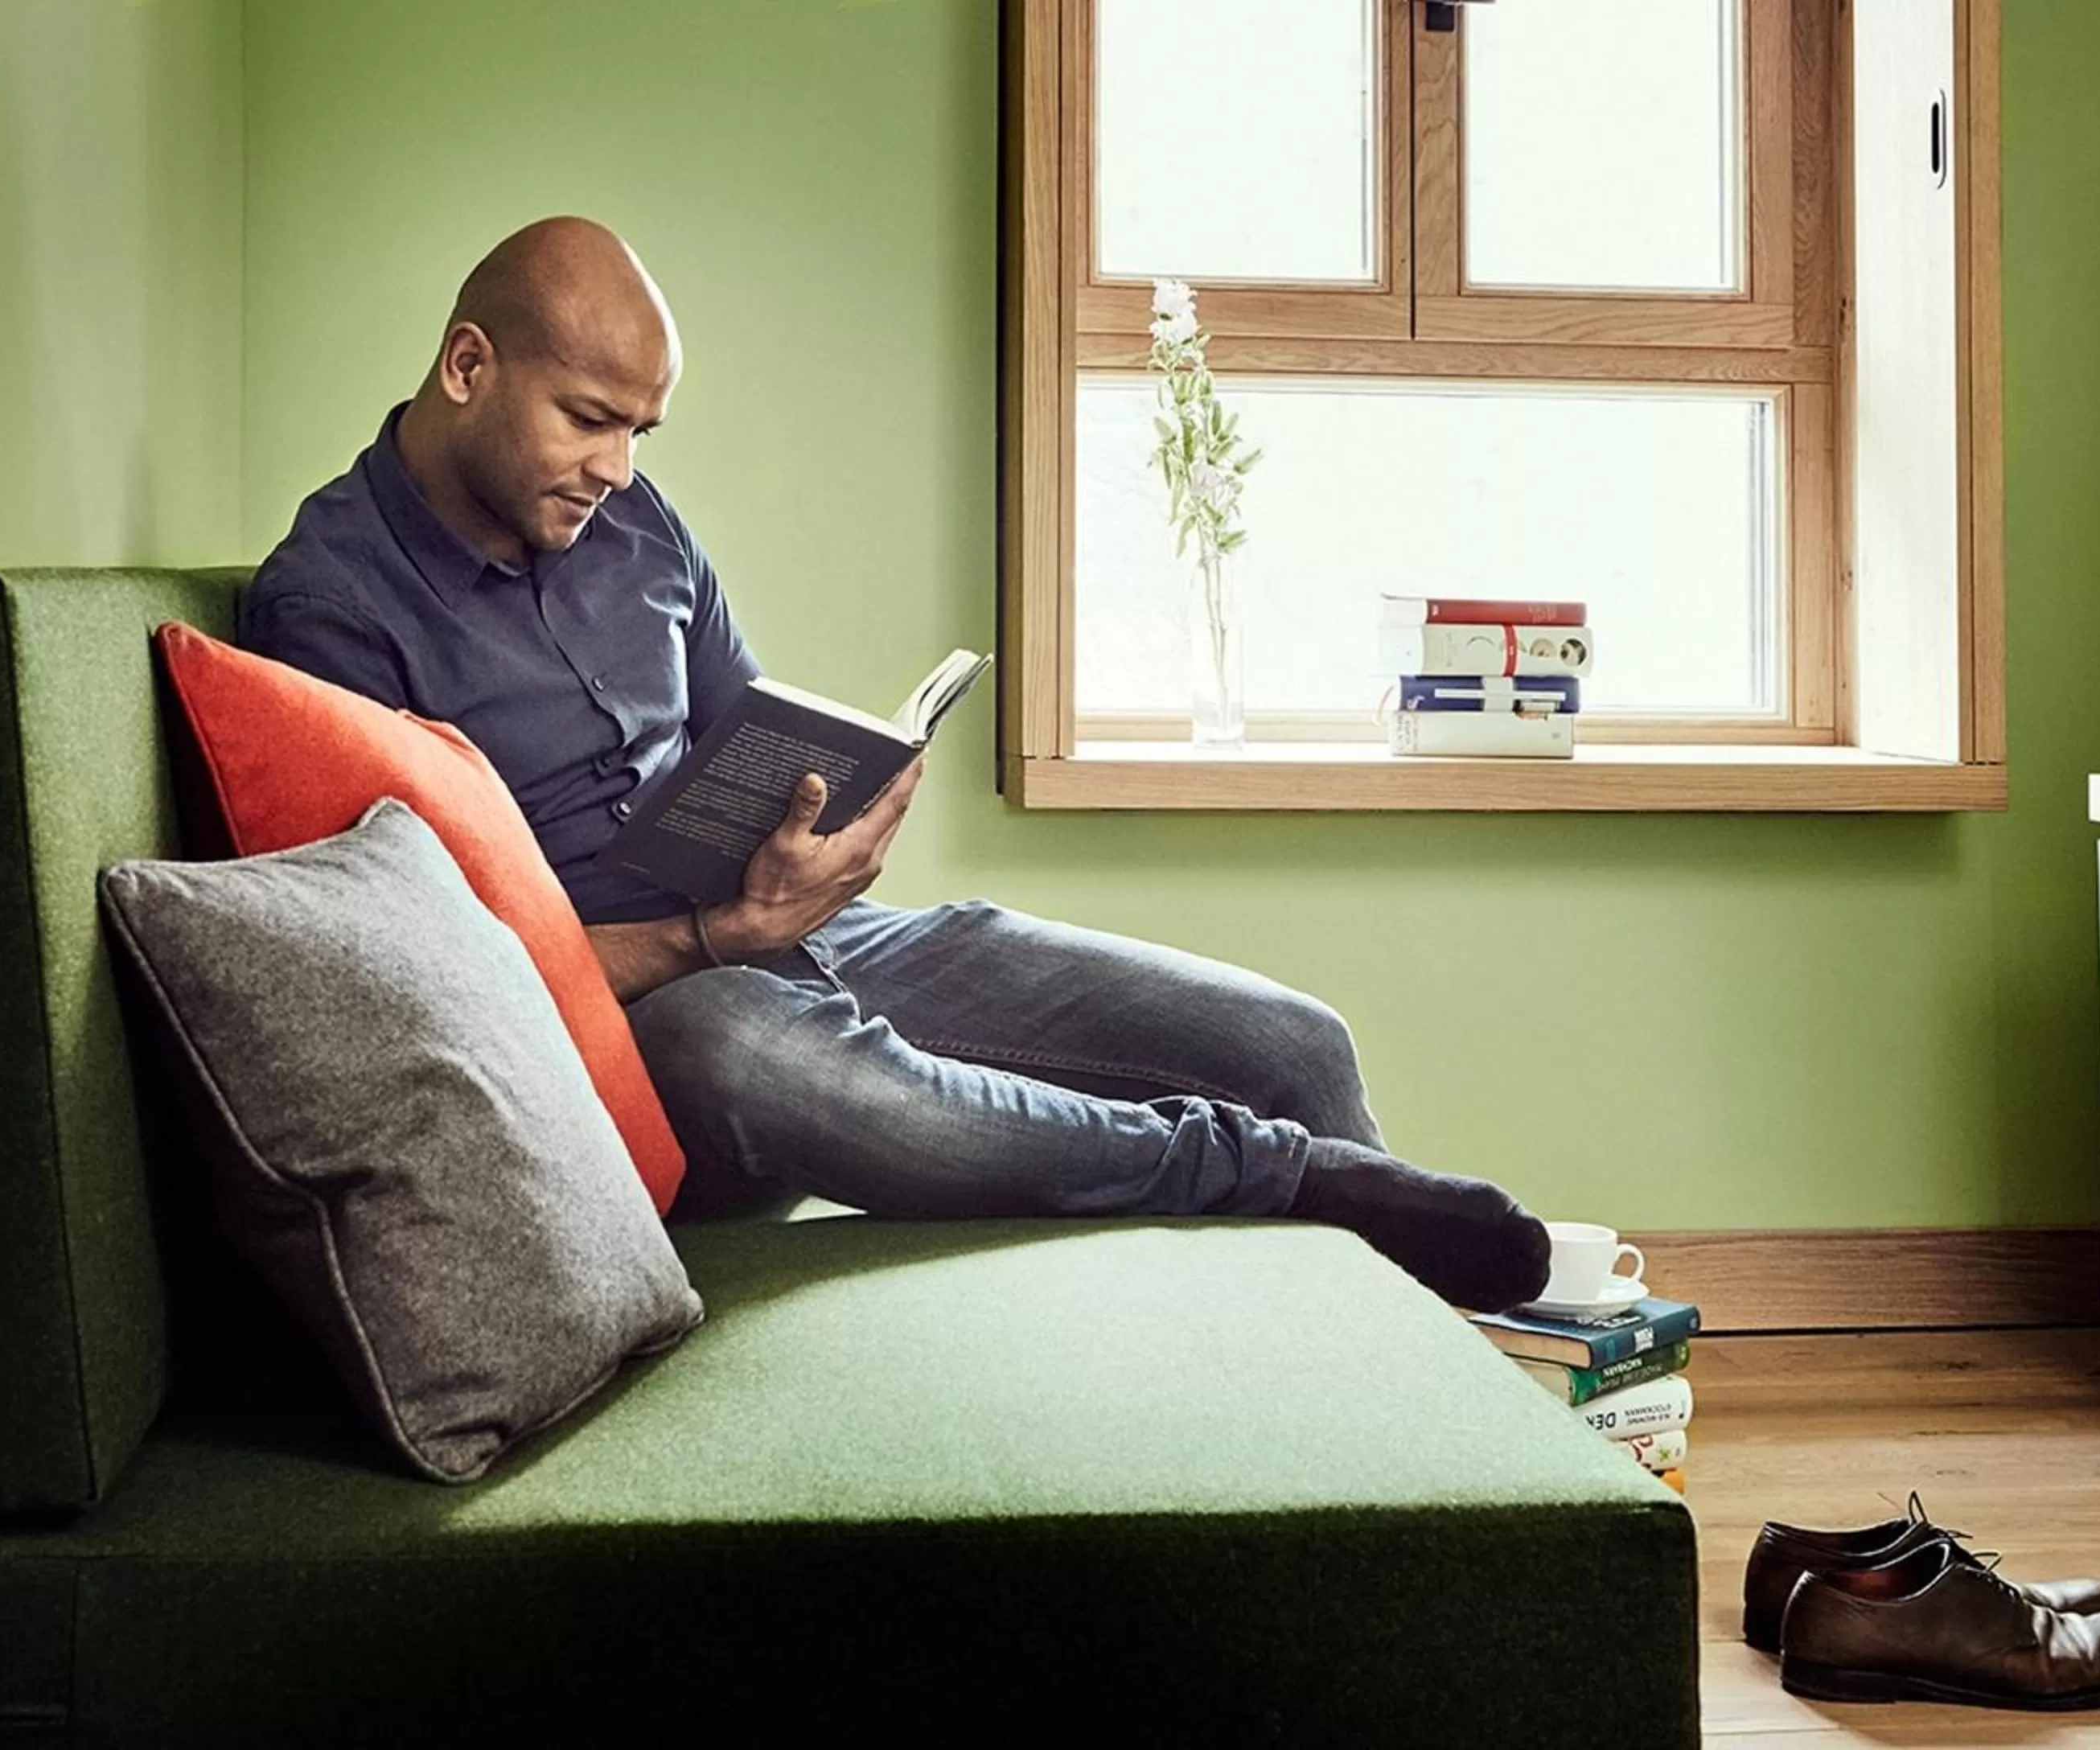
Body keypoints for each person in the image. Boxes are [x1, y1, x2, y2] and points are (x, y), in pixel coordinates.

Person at [240, 216, 1551, 1311]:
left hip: (783, 935)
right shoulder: (331, 609)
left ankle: (1409, 1405)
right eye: (589, 421)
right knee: (760, 1061)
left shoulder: (633, 526)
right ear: (469, 364)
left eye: (642, 429)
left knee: (1291, 1044)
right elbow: (429, 976)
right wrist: (707, 936)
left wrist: (828, 819)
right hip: (644, 1014)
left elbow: (744, 740)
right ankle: (1261, 1178)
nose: (617, 470)